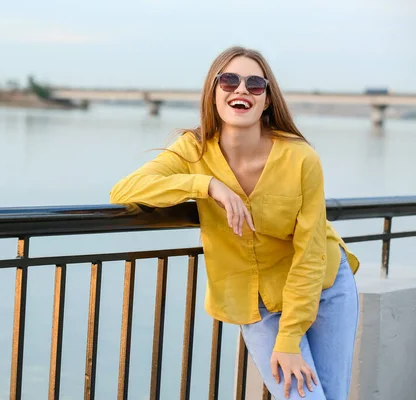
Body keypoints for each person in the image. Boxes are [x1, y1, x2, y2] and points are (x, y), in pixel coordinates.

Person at [109, 46, 360, 399]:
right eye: (229, 80)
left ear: (267, 100)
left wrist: (289, 340)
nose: (241, 89)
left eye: (255, 84)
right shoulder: (192, 150)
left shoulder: (301, 157)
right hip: (254, 301)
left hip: (323, 288)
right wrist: (207, 185)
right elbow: (125, 190)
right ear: (213, 92)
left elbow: (312, 251)